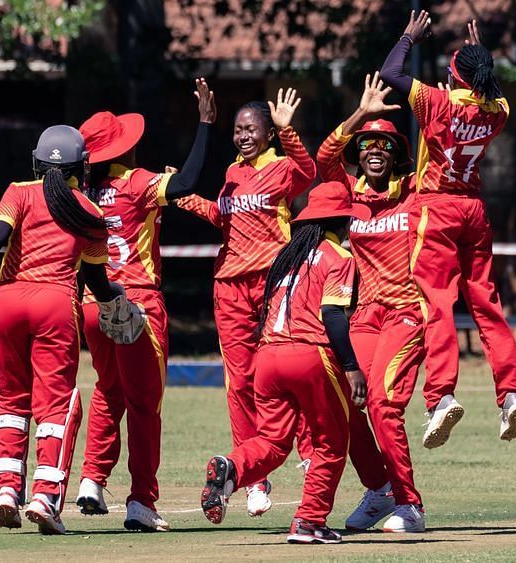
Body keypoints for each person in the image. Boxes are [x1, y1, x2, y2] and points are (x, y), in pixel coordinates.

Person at [0, 125, 145, 535]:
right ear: (83, 165)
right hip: (55, 304)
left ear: (37, 162)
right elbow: (96, 281)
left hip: (5, 303)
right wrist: (120, 301)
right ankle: (45, 495)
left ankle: (7, 488)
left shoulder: (18, 190)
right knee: (57, 405)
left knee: (10, 398)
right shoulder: (90, 211)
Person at [73, 78, 216, 532]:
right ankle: (141, 501)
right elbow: (189, 181)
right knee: (144, 405)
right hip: (136, 304)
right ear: (122, 151)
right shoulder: (136, 182)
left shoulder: (76, 193)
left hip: (91, 305)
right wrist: (206, 125)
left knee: (108, 390)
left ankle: (91, 480)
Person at [380, 12, 516, 447]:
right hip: (474, 212)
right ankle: (511, 394)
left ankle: (441, 396)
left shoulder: (437, 103)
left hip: (435, 208)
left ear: (455, 79)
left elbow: (391, 72)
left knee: (437, 305)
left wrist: (408, 35)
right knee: (487, 305)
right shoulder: (498, 110)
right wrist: (482, 56)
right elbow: (490, 91)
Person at [175, 88, 316, 516]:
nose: (242, 136)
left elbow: (309, 171)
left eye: (251, 129)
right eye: (237, 130)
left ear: (269, 134)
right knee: (239, 383)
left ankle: (311, 456)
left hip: (274, 283)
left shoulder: (282, 166)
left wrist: (290, 130)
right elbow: (222, 215)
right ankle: (253, 477)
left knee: (290, 371)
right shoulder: (232, 172)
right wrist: (180, 196)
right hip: (229, 287)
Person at [200, 181, 363, 545]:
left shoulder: (288, 257)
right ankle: (309, 522)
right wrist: (351, 366)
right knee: (331, 444)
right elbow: (334, 315)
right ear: (340, 221)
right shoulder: (339, 257)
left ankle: (233, 468)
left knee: (272, 440)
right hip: (309, 354)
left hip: (268, 357)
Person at [317, 72, 426, 532]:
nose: (375, 152)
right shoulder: (350, 196)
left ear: (398, 155)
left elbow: (442, 154)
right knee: (337, 395)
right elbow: (323, 157)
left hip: (406, 314)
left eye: (384, 147)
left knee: (382, 403)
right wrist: (361, 113)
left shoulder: (417, 194)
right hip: (365, 315)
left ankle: (410, 505)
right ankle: (379, 488)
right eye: (366, 146)